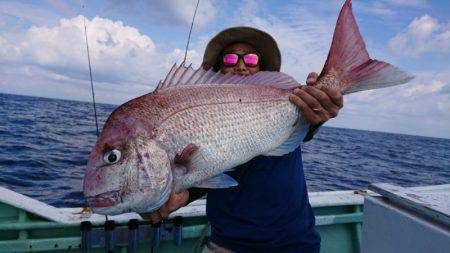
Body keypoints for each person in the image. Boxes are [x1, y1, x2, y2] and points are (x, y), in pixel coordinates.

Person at [149, 27, 343, 253]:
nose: (241, 65)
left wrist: (318, 107)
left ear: (263, 69)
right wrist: (176, 195)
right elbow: (209, 172)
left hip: (294, 245)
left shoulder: (289, 109)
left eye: (251, 59)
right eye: (230, 58)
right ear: (218, 70)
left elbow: (308, 124)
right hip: (224, 244)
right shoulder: (199, 119)